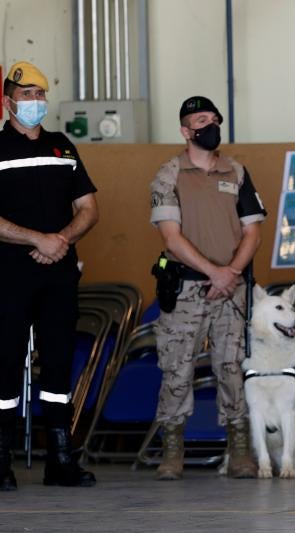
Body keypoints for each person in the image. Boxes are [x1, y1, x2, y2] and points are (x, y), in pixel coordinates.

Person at [149, 96, 266, 481]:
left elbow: (252, 230)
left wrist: (230, 271)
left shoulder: (236, 171)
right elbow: (171, 237)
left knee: (231, 368)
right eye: (201, 120)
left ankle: (240, 448)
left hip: (231, 290)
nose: (210, 125)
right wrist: (214, 273)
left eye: (214, 118)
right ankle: (172, 448)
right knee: (176, 368)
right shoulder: (169, 174)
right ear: (186, 131)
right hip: (185, 289)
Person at [0, 61, 99, 490]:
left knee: (58, 364)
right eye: (27, 96)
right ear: (8, 103)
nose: (36, 103)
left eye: (40, 95)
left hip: (58, 275)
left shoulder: (62, 146)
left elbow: (89, 209)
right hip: (9, 275)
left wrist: (58, 239)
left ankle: (61, 459)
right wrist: (36, 240)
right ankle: (1, 460)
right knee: (4, 365)